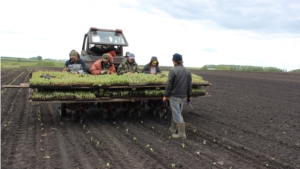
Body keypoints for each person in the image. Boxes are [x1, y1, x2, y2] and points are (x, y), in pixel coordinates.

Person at [163, 53, 192, 139]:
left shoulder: (173, 70)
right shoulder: (188, 71)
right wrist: (189, 96)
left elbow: (169, 85)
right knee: (177, 112)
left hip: (175, 96)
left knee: (176, 113)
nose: (173, 63)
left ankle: (181, 134)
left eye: (173, 61)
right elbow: (190, 85)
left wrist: (165, 95)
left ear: (175, 61)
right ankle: (173, 129)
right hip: (183, 96)